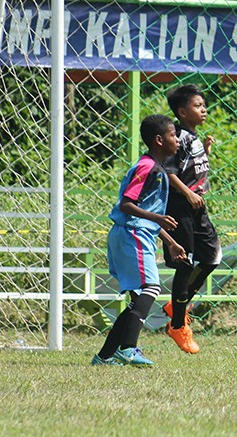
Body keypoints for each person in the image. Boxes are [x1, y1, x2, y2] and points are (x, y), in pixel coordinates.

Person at [92, 114, 186, 367]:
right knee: (150, 289)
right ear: (159, 140)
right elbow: (127, 204)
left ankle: (104, 357)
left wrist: (169, 241)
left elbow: (146, 211)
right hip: (132, 233)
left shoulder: (156, 168)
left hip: (137, 232)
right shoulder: (148, 167)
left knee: (139, 298)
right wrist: (159, 218)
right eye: (173, 135)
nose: (177, 140)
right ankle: (129, 348)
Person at [162, 83, 222, 354]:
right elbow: (168, 171)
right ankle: (177, 326)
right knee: (184, 264)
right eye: (198, 106)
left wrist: (205, 153)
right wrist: (187, 194)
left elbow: (190, 169)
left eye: (204, 105)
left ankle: (178, 305)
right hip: (179, 208)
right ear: (182, 111)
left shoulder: (193, 136)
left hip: (198, 207)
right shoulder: (176, 136)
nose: (204, 109)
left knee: (212, 257)